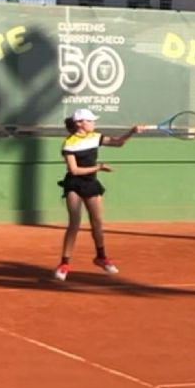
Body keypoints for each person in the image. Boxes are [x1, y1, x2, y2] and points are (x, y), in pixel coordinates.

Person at [54, 108, 144, 282]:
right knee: (74, 222)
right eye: (90, 121)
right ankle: (64, 264)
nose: (94, 123)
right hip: (74, 183)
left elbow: (118, 143)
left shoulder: (96, 137)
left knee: (97, 222)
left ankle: (101, 257)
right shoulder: (69, 143)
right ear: (79, 123)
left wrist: (132, 132)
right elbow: (74, 170)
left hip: (91, 184)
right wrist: (99, 167)